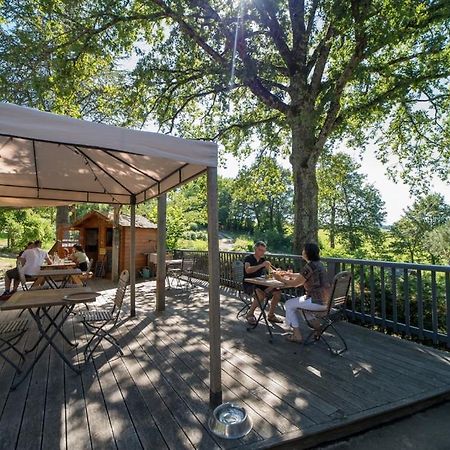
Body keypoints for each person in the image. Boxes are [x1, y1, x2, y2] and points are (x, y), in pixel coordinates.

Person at [274, 243, 331, 343]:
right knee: (303, 309)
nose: (302, 252)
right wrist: (290, 274)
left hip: (316, 301)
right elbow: (303, 276)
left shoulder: (309, 266)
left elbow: (295, 284)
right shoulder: (319, 264)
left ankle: (297, 335)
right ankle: (318, 329)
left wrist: (280, 279)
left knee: (289, 304)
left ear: (307, 253)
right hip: (327, 301)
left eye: (303, 250)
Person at [244, 241, 283, 325]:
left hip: (260, 283)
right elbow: (247, 270)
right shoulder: (248, 258)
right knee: (261, 295)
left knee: (278, 292)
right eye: (260, 250)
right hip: (249, 283)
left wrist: (276, 271)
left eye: (263, 251)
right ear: (255, 249)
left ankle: (271, 315)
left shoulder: (263, 260)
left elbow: (271, 272)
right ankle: (250, 314)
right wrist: (261, 265)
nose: (262, 252)